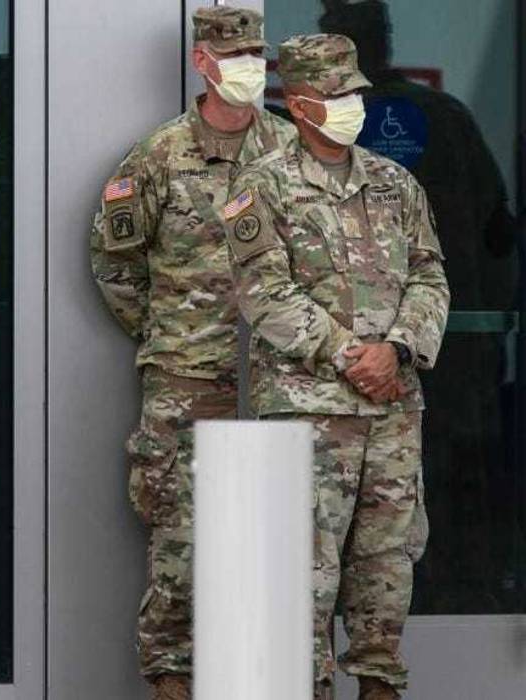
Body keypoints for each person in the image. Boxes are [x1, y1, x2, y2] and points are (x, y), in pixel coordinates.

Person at [222, 34, 450, 700]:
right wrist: (352, 355)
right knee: (303, 568)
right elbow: (264, 293)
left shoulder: (394, 183)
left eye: (354, 92)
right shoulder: (258, 187)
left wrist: (397, 350)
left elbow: (430, 276)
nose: (352, 104)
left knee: (387, 563)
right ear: (298, 105)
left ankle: (380, 686)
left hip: (391, 408)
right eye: (335, 95)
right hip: (308, 412)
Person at [88, 7, 294, 698]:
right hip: (189, 375)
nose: (248, 68)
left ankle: (261, 678)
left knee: (280, 536)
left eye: (256, 56)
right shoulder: (159, 156)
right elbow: (115, 262)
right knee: (182, 532)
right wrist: (170, 331)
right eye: (233, 57)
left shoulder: (290, 150)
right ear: (201, 62)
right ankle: (171, 677)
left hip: (281, 377)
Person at [318, 0, 520, 614]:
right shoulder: (439, 118)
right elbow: (499, 235)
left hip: (399, 359)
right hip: (426, 356)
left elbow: (496, 235)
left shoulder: (319, 131)